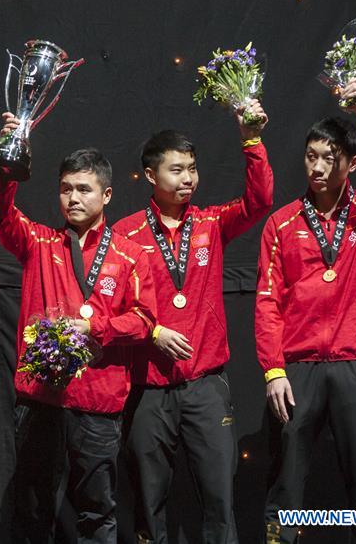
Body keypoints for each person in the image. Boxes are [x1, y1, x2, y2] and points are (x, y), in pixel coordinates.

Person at [255, 78, 356, 544]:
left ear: (352, 162)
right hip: (299, 369)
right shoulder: (282, 224)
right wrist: (273, 370)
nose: (319, 167)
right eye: (312, 156)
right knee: (285, 490)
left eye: (330, 158)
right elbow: (268, 303)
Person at [0, 114, 157, 544]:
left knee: (98, 509)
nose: (73, 197)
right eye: (65, 189)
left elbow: (146, 320)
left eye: (83, 189)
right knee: (33, 508)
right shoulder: (39, 243)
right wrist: (11, 149)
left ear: (107, 194)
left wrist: (94, 326)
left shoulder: (131, 254)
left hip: (98, 400)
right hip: (41, 400)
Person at [114, 102, 273, 543]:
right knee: (149, 503)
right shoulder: (125, 234)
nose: (188, 179)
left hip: (205, 385)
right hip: (147, 389)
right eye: (177, 170)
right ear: (150, 176)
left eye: (192, 169)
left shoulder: (210, 223)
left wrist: (251, 140)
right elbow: (114, 307)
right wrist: (151, 332)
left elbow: (259, 200)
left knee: (220, 500)